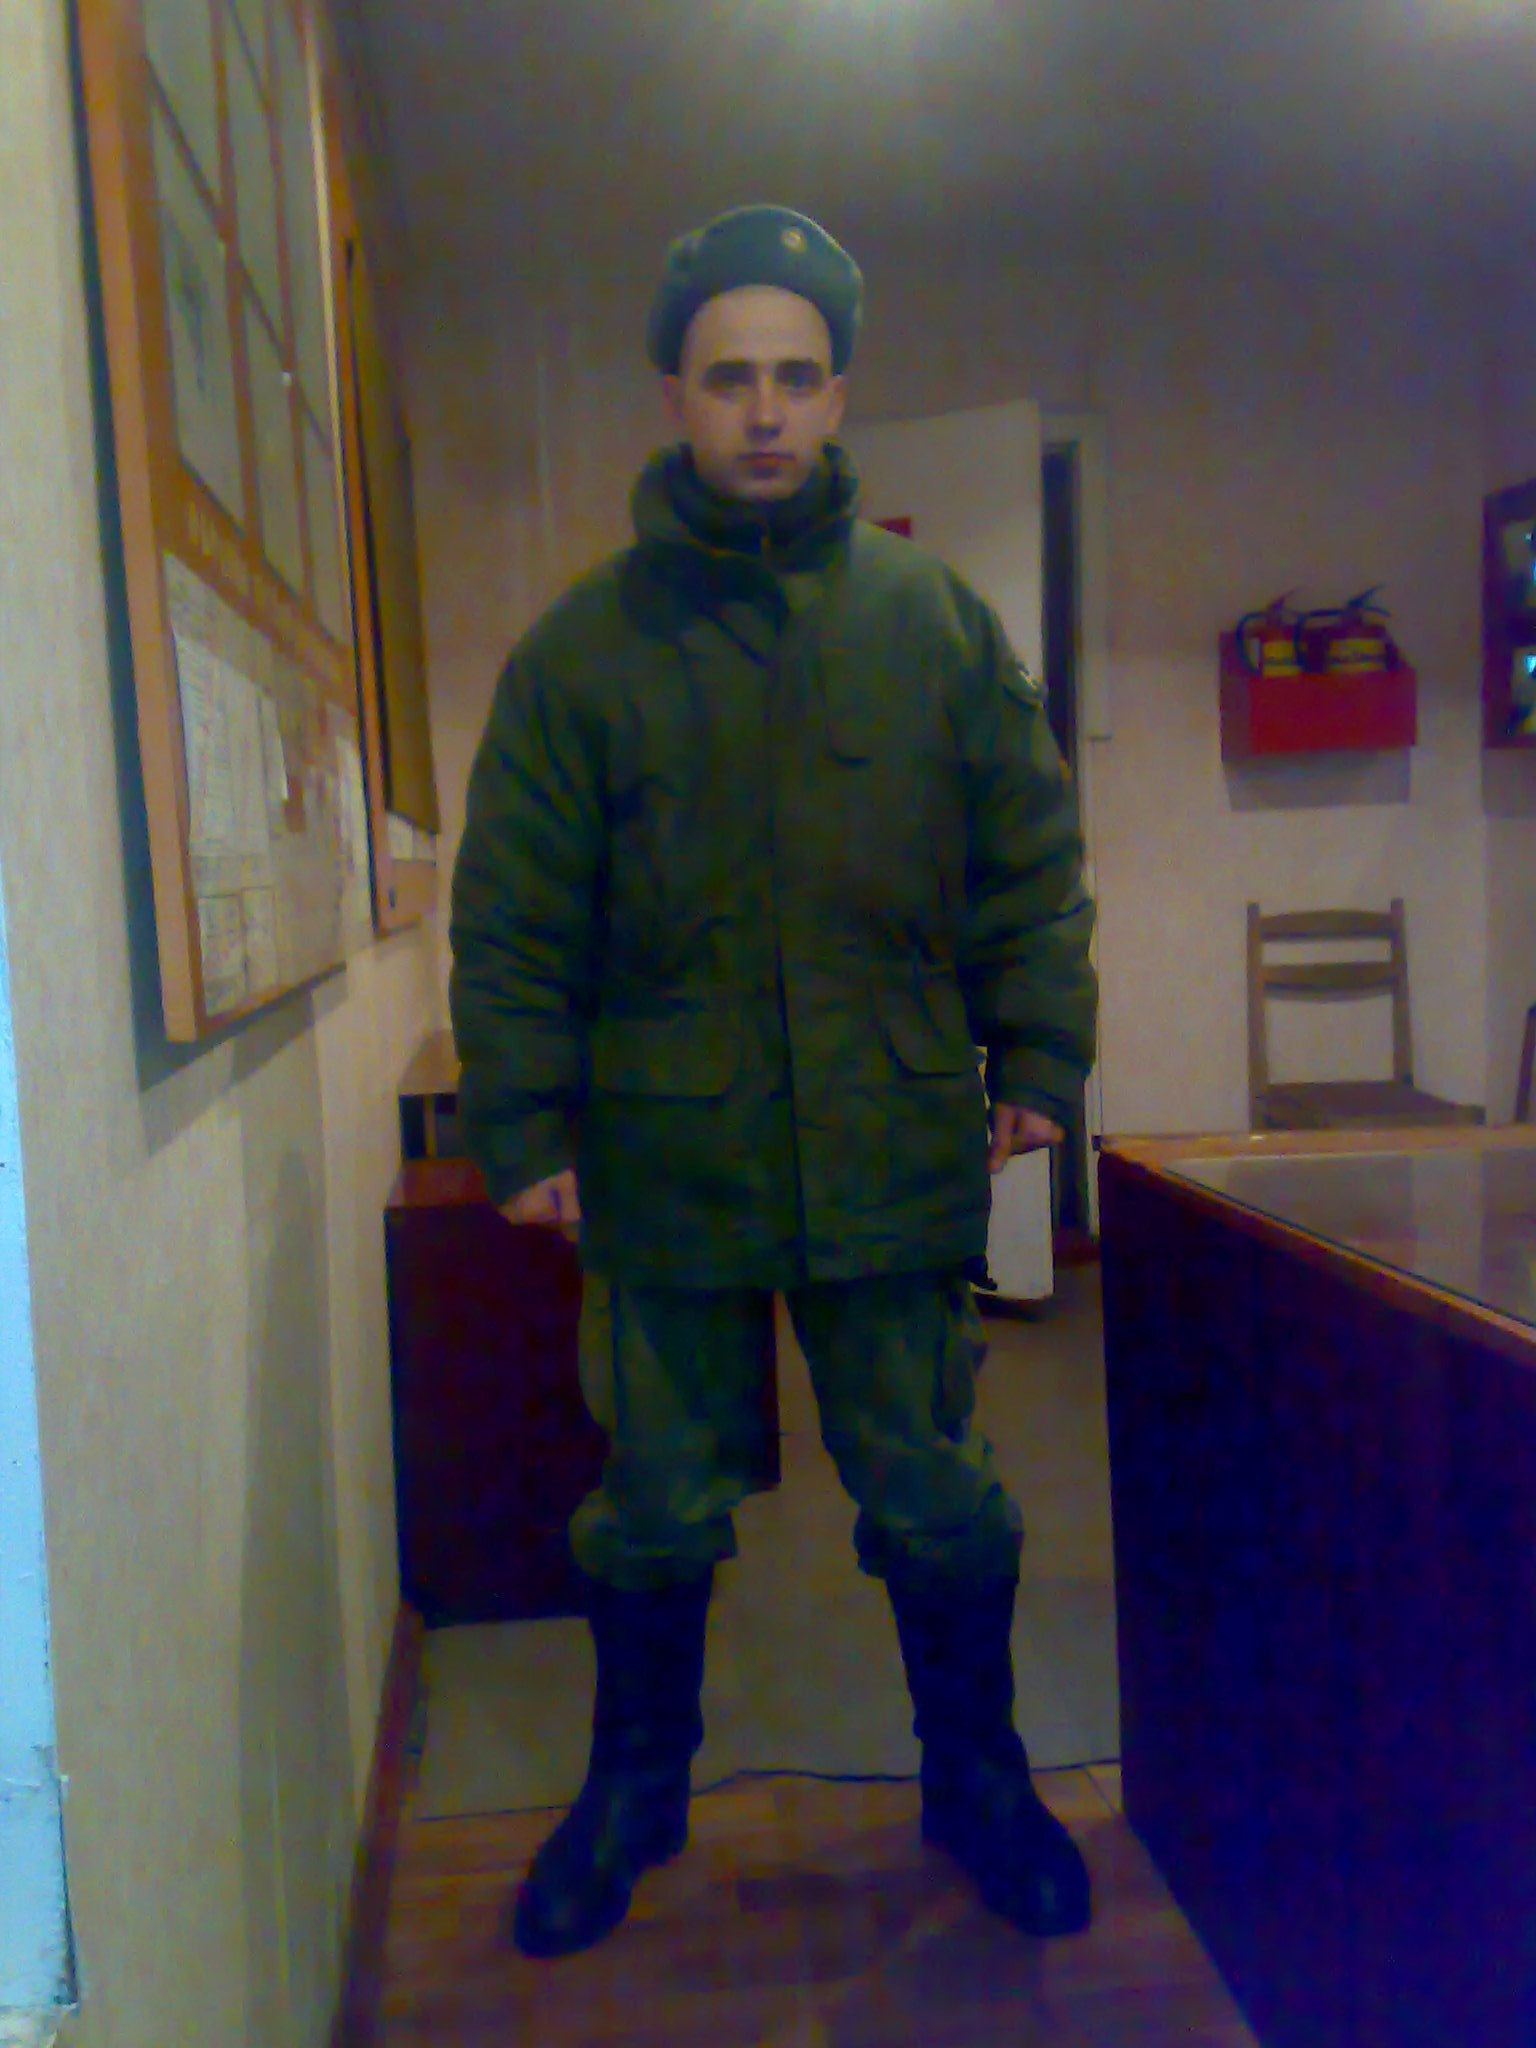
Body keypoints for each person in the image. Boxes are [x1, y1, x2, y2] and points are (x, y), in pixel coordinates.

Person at [449, 204, 1098, 1961]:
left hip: (888, 1137)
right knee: (652, 1506)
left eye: (796, 377)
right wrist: (519, 1120)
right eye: (730, 375)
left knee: (937, 1493)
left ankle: (979, 1783)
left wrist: (1042, 1051)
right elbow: (513, 912)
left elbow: (1030, 864)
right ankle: (634, 1791)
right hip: (667, 1159)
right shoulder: (583, 650)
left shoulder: (933, 623)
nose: (763, 409)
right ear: (676, 393)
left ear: (838, 395)